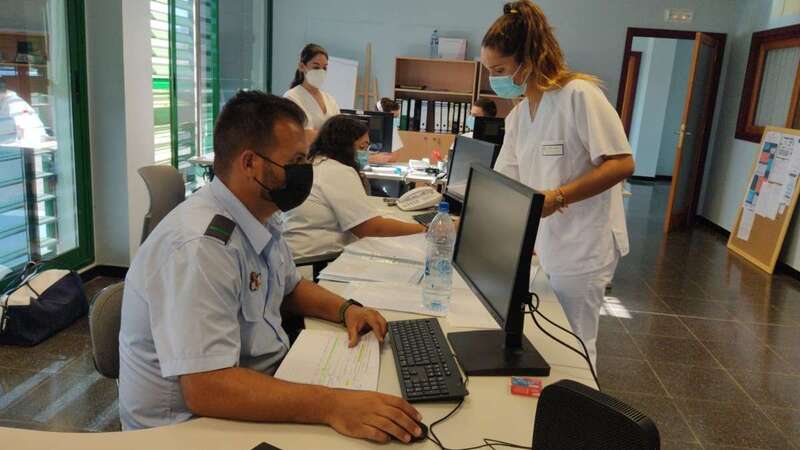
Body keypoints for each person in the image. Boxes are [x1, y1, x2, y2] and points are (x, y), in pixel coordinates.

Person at [118, 91, 425, 444]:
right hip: (187, 429)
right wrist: (333, 405)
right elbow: (206, 388)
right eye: (295, 160)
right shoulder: (199, 247)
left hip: (248, 388)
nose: (304, 171)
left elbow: (289, 287)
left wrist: (346, 310)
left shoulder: (260, 216)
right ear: (250, 163)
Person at [481, 1, 635, 366]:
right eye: (488, 71)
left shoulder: (579, 95)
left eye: (499, 69)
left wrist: (560, 195)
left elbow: (622, 162)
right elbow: (506, 181)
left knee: (577, 340)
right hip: (545, 241)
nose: (494, 79)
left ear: (528, 59)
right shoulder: (519, 115)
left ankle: (580, 416)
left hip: (584, 242)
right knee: (548, 333)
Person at [284, 115, 425, 259]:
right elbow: (371, 228)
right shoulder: (337, 170)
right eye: (362, 147)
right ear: (344, 145)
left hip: (301, 256)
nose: (366, 153)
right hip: (317, 259)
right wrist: (425, 229)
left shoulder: (316, 163)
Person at [284, 43, 340, 132]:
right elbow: (300, 134)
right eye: (316, 67)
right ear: (302, 67)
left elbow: (339, 130)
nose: (321, 72)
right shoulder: (292, 97)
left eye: (324, 68)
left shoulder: (330, 100)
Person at [0, 78, 47, 144]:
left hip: (30, 143)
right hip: (25, 142)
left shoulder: (14, 103)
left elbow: (17, 129)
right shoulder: (7, 102)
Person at [369, 97, 403, 164]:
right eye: (393, 117)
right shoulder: (363, 128)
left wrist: (374, 158)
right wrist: (372, 158)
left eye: (397, 117)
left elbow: (395, 156)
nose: (395, 120)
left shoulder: (393, 131)